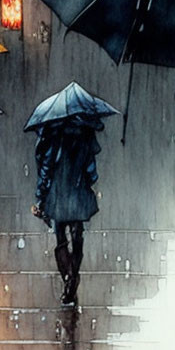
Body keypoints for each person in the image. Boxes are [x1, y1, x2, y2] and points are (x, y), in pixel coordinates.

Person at [31, 116, 103, 305]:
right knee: (77, 236)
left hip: (58, 196)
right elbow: (92, 173)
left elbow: (45, 170)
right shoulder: (84, 136)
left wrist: (40, 197)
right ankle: (73, 277)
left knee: (60, 237)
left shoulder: (52, 137)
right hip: (77, 195)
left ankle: (69, 279)